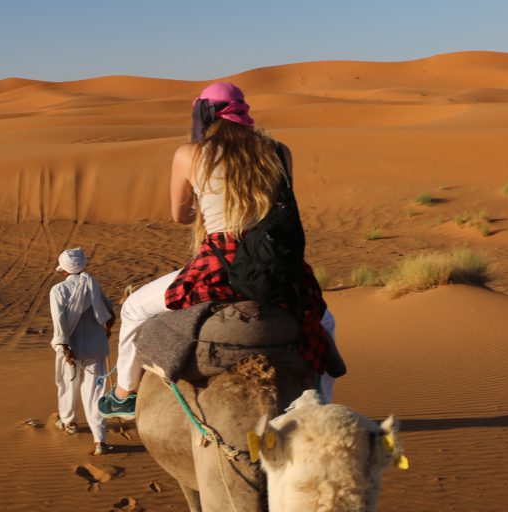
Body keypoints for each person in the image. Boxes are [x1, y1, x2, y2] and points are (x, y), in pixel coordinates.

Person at [98, 82, 337, 419]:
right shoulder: (279, 152)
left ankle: (124, 394)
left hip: (219, 264)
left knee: (134, 308)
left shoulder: (190, 154)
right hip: (275, 266)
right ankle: (321, 403)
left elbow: (180, 215)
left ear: (203, 115)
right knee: (325, 322)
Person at [50, 247, 116, 455]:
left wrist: (64, 348)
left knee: (67, 386)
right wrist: (106, 332)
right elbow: (109, 314)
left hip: (71, 348)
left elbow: (59, 323)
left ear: (64, 270)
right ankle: (100, 441)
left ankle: (69, 423)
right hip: (95, 347)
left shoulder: (58, 290)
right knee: (95, 393)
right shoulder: (92, 284)